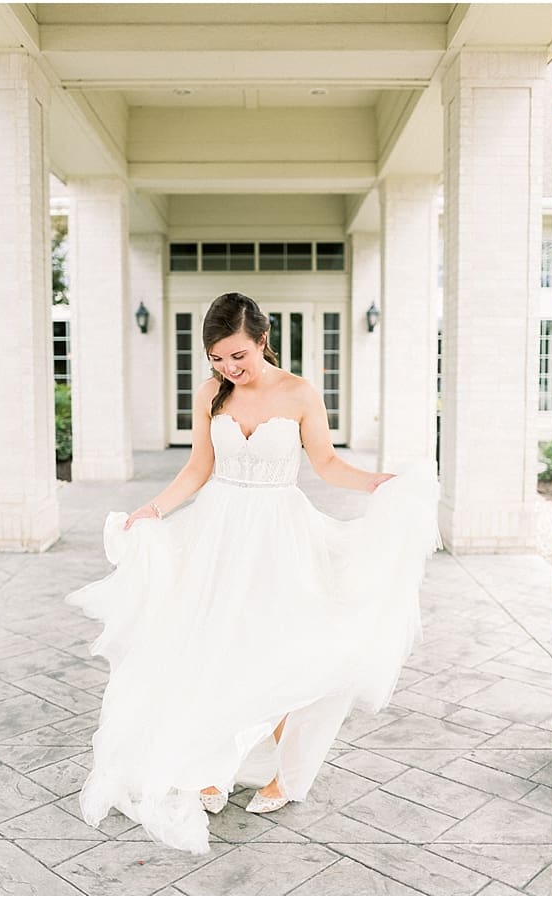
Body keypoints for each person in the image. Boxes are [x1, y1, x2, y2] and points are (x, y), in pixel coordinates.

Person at [68, 292, 439, 853]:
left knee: (281, 647)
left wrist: (380, 483)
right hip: (217, 531)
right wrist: (153, 510)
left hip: (278, 534)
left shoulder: (298, 393)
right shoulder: (213, 395)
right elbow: (198, 468)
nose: (228, 368)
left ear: (262, 340)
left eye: (237, 355)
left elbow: (327, 465)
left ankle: (283, 775)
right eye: (217, 359)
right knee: (215, 645)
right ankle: (214, 764)